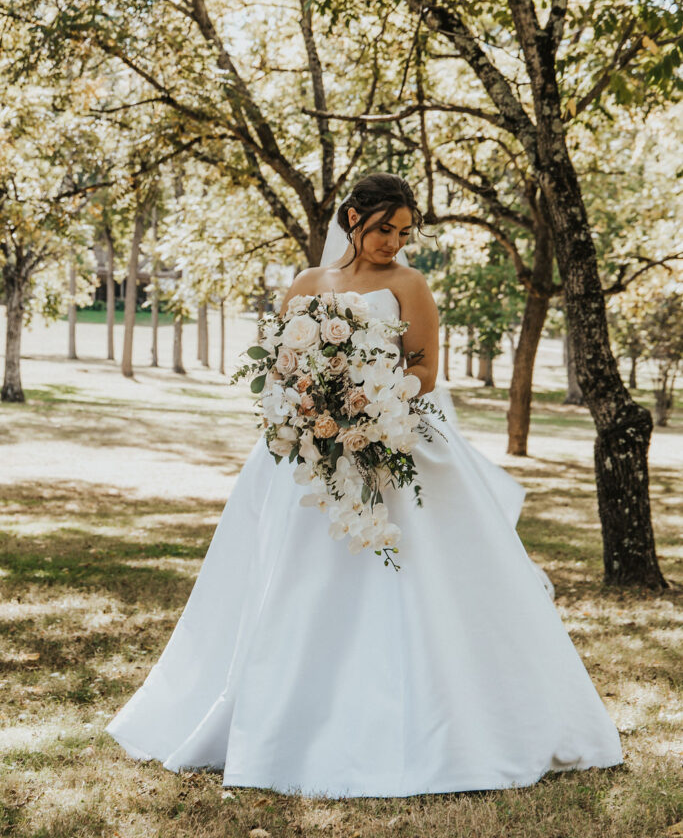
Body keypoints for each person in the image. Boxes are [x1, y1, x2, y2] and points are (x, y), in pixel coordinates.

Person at [105, 172, 623, 798]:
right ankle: (285, 716)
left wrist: (372, 403)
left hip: (392, 439)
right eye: (385, 229)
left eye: (405, 232)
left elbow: (426, 370)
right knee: (297, 574)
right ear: (353, 220)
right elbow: (283, 364)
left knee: (408, 576)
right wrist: (311, 401)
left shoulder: (410, 285)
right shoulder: (307, 285)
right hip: (311, 445)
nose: (394, 243)